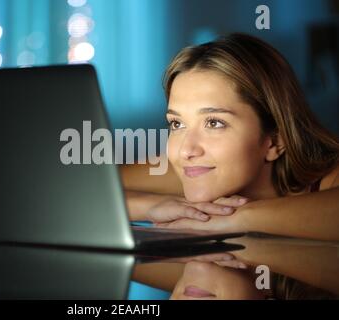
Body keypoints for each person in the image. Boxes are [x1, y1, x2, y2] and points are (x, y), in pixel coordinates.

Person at [121, 33, 339, 241]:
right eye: (177, 124)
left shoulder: (329, 176)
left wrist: (236, 219)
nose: (186, 150)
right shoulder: (193, 168)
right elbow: (90, 188)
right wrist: (151, 207)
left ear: (275, 141)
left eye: (214, 123)